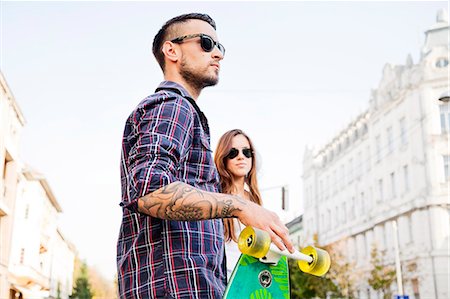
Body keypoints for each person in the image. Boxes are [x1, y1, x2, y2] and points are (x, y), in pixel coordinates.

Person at [117, 13, 294, 299]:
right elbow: (150, 190)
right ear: (171, 50)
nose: (217, 54)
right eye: (206, 43)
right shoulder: (172, 107)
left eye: (219, 47)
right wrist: (240, 206)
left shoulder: (185, 113)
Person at [213, 129, 263, 278]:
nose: (241, 157)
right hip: (224, 281)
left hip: (250, 279)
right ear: (223, 158)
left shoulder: (254, 200)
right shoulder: (215, 196)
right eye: (233, 153)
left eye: (246, 152)